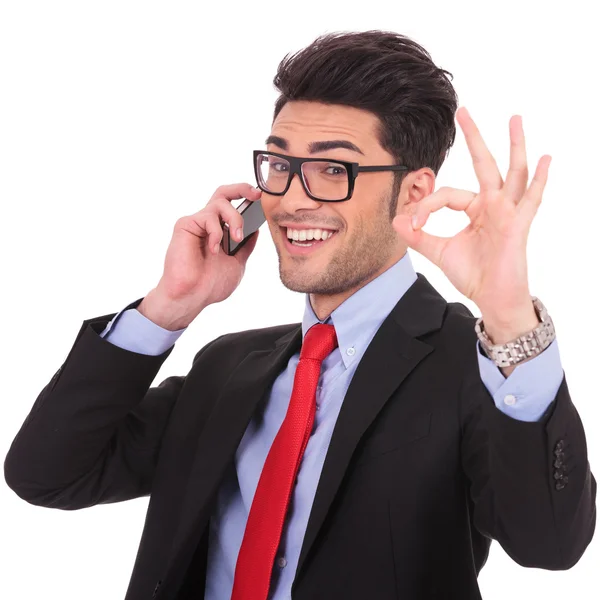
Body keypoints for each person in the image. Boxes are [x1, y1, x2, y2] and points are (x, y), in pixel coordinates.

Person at [4, 30, 596, 600]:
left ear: (414, 193)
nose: (291, 198)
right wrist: (171, 305)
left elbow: (549, 544)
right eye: (280, 164)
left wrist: (512, 320)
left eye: (333, 169)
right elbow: (47, 473)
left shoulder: (478, 367)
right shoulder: (228, 367)